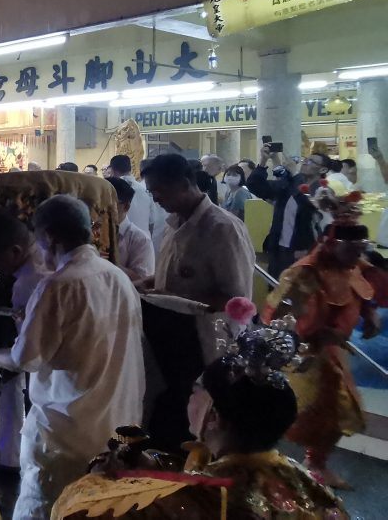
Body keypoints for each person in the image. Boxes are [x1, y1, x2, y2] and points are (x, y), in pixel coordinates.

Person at [0, 195, 144, 520]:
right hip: (117, 432)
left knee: (45, 510)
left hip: (65, 439)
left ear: (48, 236)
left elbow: (25, 359)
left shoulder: (58, 287)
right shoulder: (117, 276)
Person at [52, 325, 348, 519]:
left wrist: (104, 473)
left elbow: (77, 512)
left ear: (214, 416)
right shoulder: (302, 481)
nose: (189, 400)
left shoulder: (203, 500)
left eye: (196, 392)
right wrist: (152, 466)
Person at [264, 192, 384, 488]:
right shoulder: (306, 273)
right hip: (302, 353)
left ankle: (314, 463)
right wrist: (311, 333)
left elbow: (363, 290)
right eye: (352, 249)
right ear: (332, 244)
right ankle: (271, 465)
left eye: (361, 249)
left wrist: (369, 315)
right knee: (300, 413)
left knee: (338, 410)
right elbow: (276, 316)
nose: (358, 256)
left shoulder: (354, 266)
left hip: (331, 353)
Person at [139, 153, 255, 455]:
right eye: (152, 192)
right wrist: (148, 284)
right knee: (167, 417)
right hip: (169, 341)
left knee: (198, 423)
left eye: (159, 191)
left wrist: (174, 298)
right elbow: (176, 275)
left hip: (205, 344)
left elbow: (237, 299)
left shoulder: (222, 229)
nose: (155, 199)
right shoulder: (173, 224)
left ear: (183, 184)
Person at [0, 215, 50, 477]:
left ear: (15, 251)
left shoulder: (28, 283)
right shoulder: (49, 258)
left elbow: (24, 357)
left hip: (57, 395)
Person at [247, 147, 327, 277]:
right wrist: (263, 161)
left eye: (312, 162)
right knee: (276, 290)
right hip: (278, 249)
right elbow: (255, 186)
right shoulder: (288, 184)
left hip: (303, 250)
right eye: (305, 160)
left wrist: (295, 173)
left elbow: (306, 204)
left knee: (298, 291)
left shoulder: (322, 190)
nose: (305, 163)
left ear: (323, 170)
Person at [105, 177, 155, 282]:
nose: (102, 209)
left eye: (108, 205)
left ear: (126, 206)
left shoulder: (140, 239)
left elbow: (143, 281)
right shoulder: (91, 231)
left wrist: (107, 264)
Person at [104, 155, 155, 240]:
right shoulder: (144, 189)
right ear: (130, 169)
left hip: (120, 242)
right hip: (144, 241)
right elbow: (152, 222)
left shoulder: (111, 190)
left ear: (112, 170)